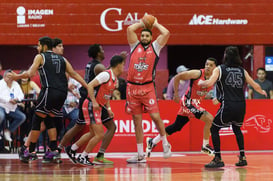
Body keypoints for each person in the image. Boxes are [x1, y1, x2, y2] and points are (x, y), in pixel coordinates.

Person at [11, 36, 88, 163]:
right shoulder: (63, 59)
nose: (37, 48)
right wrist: (87, 85)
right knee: (49, 119)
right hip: (62, 93)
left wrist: (16, 76)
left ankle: (29, 151)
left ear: (44, 46)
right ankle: (53, 150)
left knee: (36, 120)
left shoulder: (40, 57)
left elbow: (30, 74)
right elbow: (73, 74)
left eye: (39, 45)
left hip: (49, 91)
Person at [198, 46, 267, 168]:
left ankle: (218, 158)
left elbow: (209, 83)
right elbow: (254, 84)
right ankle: (242, 157)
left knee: (214, 129)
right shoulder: (242, 70)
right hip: (241, 105)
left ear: (225, 56)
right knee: (237, 129)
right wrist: (262, 91)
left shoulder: (220, 69)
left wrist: (200, 82)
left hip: (228, 105)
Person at [59, 44, 126, 165]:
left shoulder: (114, 79)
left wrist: (108, 108)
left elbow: (106, 95)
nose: (124, 67)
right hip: (90, 104)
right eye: (123, 64)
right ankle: (83, 156)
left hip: (96, 105)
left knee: (92, 133)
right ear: (118, 65)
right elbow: (89, 85)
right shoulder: (106, 74)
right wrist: (94, 102)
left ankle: (71, 149)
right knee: (99, 133)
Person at [146, 58, 217, 157]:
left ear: (215, 67)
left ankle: (152, 141)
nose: (208, 67)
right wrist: (175, 94)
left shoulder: (214, 78)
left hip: (195, 103)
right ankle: (205, 146)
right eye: (206, 64)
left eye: (211, 65)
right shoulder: (198, 73)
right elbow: (178, 77)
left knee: (177, 126)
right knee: (209, 119)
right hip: (188, 102)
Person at [125, 16, 171, 163]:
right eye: (142, 35)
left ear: (151, 37)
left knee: (156, 117)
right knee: (136, 122)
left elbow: (166, 33)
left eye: (147, 35)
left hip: (147, 87)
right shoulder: (134, 46)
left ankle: (165, 144)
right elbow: (129, 29)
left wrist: (155, 23)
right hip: (132, 88)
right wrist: (142, 23)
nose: (144, 37)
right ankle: (140, 155)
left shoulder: (155, 47)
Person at [0, 70, 26, 143]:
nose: (10, 78)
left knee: (22, 117)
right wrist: (9, 100)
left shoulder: (16, 84)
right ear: (4, 77)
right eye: (8, 76)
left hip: (12, 108)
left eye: (12, 76)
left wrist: (17, 99)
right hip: (2, 106)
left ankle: (7, 131)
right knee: (1, 115)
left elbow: (21, 95)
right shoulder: (1, 83)